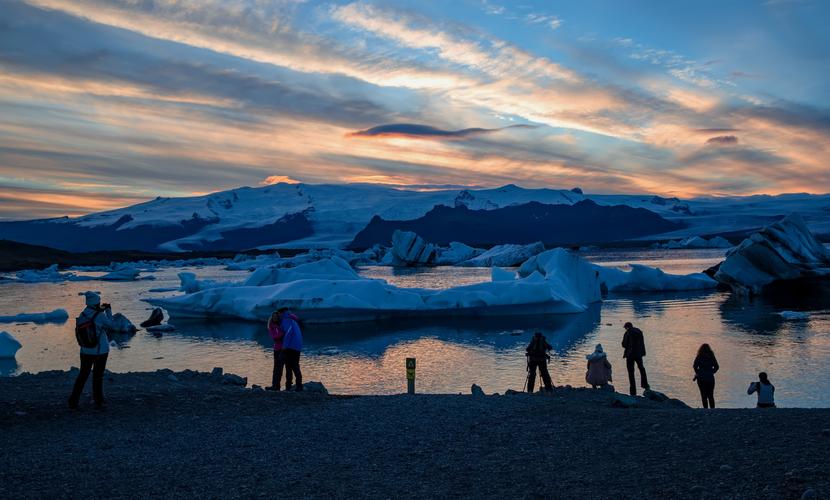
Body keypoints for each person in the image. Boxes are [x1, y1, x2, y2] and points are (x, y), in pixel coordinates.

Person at [68, 291, 116, 410]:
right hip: (100, 351)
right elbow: (111, 325)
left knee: (83, 375)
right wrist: (108, 310)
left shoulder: (83, 314)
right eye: (98, 302)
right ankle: (98, 399)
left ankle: (73, 400)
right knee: (98, 375)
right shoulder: (100, 315)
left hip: (85, 351)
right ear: (96, 302)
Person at [265, 311, 292, 391]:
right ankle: (275, 385)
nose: (275, 317)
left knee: (286, 367)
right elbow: (274, 337)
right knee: (277, 368)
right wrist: (283, 334)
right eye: (274, 316)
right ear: (272, 318)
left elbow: (294, 318)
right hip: (278, 349)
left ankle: (286, 386)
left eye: (276, 316)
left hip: (285, 348)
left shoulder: (281, 324)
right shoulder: (271, 326)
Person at [278, 308, 303, 392]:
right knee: (295, 365)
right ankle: (297, 385)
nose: (278, 316)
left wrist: (284, 347)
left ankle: (291, 386)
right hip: (297, 346)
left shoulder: (286, 320)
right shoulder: (293, 320)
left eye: (279, 314)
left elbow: (288, 333)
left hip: (290, 347)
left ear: (282, 313)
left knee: (290, 366)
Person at [621, 322, 649, 396]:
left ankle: (633, 391)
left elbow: (624, 344)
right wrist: (642, 352)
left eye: (625, 328)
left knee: (631, 372)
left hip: (630, 355)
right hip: (638, 354)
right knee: (641, 368)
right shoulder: (639, 331)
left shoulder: (628, 333)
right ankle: (645, 385)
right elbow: (642, 343)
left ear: (627, 327)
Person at [693, 343, 719, 408]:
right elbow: (717, 367)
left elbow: (694, 366)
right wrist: (712, 372)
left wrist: (698, 373)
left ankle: (705, 410)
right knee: (710, 395)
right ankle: (712, 410)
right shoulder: (711, 356)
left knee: (703, 395)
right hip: (710, 378)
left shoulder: (699, 356)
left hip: (701, 378)